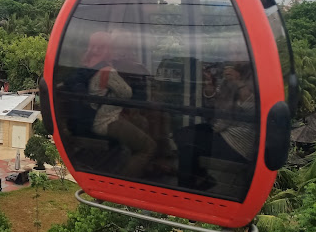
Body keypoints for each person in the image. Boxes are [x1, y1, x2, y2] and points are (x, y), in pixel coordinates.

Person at [174, 62, 256, 194]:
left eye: (231, 67)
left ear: (241, 73)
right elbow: (214, 105)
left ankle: (184, 189)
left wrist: (239, 84)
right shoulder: (227, 83)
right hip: (223, 129)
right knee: (181, 133)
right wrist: (209, 85)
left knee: (189, 143)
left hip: (237, 141)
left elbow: (237, 112)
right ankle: (201, 178)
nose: (226, 70)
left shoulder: (252, 87)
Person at [85, 32, 156, 178]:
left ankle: (143, 164)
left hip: (112, 115)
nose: (124, 54)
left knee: (144, 122)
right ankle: (127, 179)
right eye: (120, 50)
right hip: (107, 120)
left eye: (128, 50)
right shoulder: (108, 71)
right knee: (148, 147)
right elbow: (127, 93)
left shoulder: (91, 66)